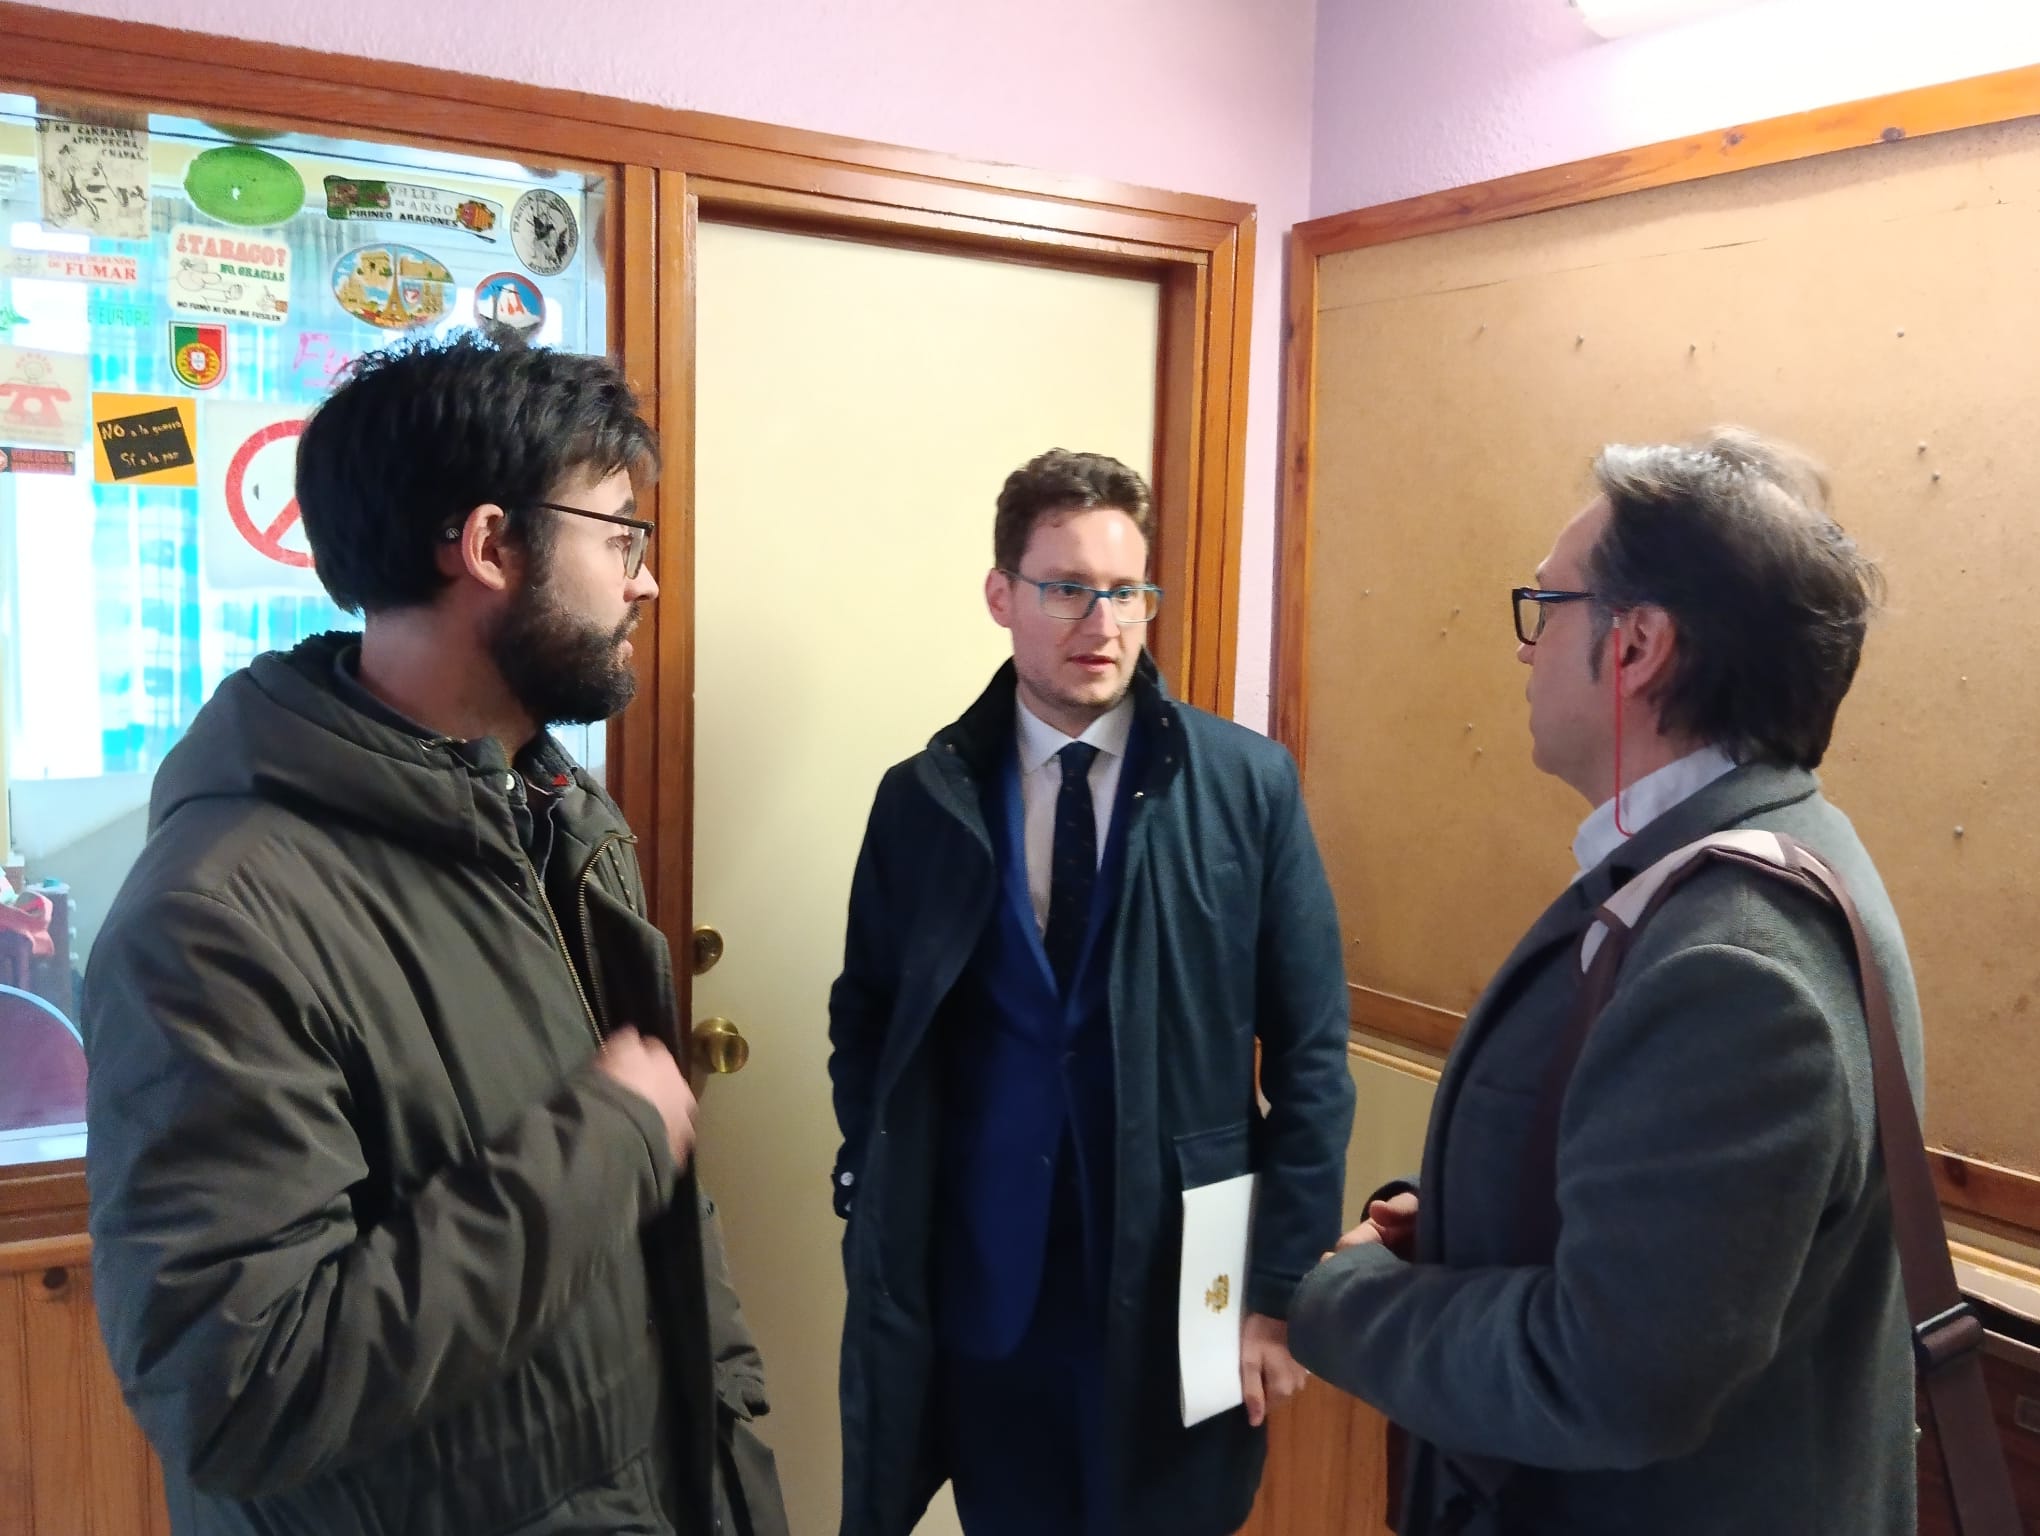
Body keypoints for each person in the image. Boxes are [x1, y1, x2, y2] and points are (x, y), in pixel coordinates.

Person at [84, 333, 780, 1535]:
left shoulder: (558, 812)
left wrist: (731, 1432)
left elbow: (653, 1233)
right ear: (491, 546)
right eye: (620, 538)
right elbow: (239, 1391)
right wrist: (606, 1143)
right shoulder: (213, 919)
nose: (645, 584)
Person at [1289, 428, 1920, 1535]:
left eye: (1546, 607)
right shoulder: (1752, 858)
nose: (1525, 650)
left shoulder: (1734, 963)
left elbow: (1612, 1377)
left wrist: (1344, 1300)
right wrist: (1469, 1224)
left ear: (1636, 647)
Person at [828, 448, 1355, 1536]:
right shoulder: (923, 800)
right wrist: (885, 1174)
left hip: (1182, 1284)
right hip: (989, 1294)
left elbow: (1312, 1056)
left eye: (1126, 591)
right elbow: (866, 1017)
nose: (1103, 623)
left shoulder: (1247, 786)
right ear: (1002, 595)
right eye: (1067, 588)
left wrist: (1278, 1287)